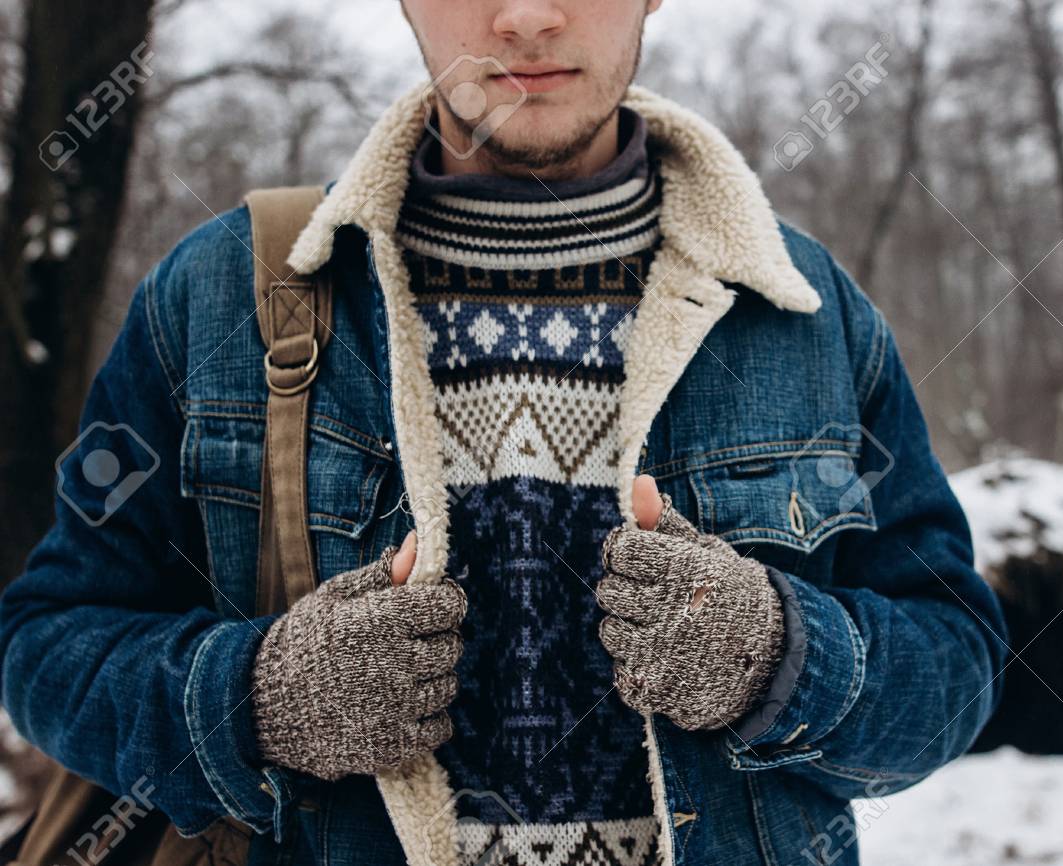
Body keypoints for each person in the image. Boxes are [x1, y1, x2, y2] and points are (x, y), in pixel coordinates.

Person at [0, 1, 1008, 864]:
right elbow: (49, 642)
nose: (525, 15)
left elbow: (956, 662)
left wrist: (783, 655)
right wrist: (258, 697)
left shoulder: (804, 311)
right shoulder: (216, 298)